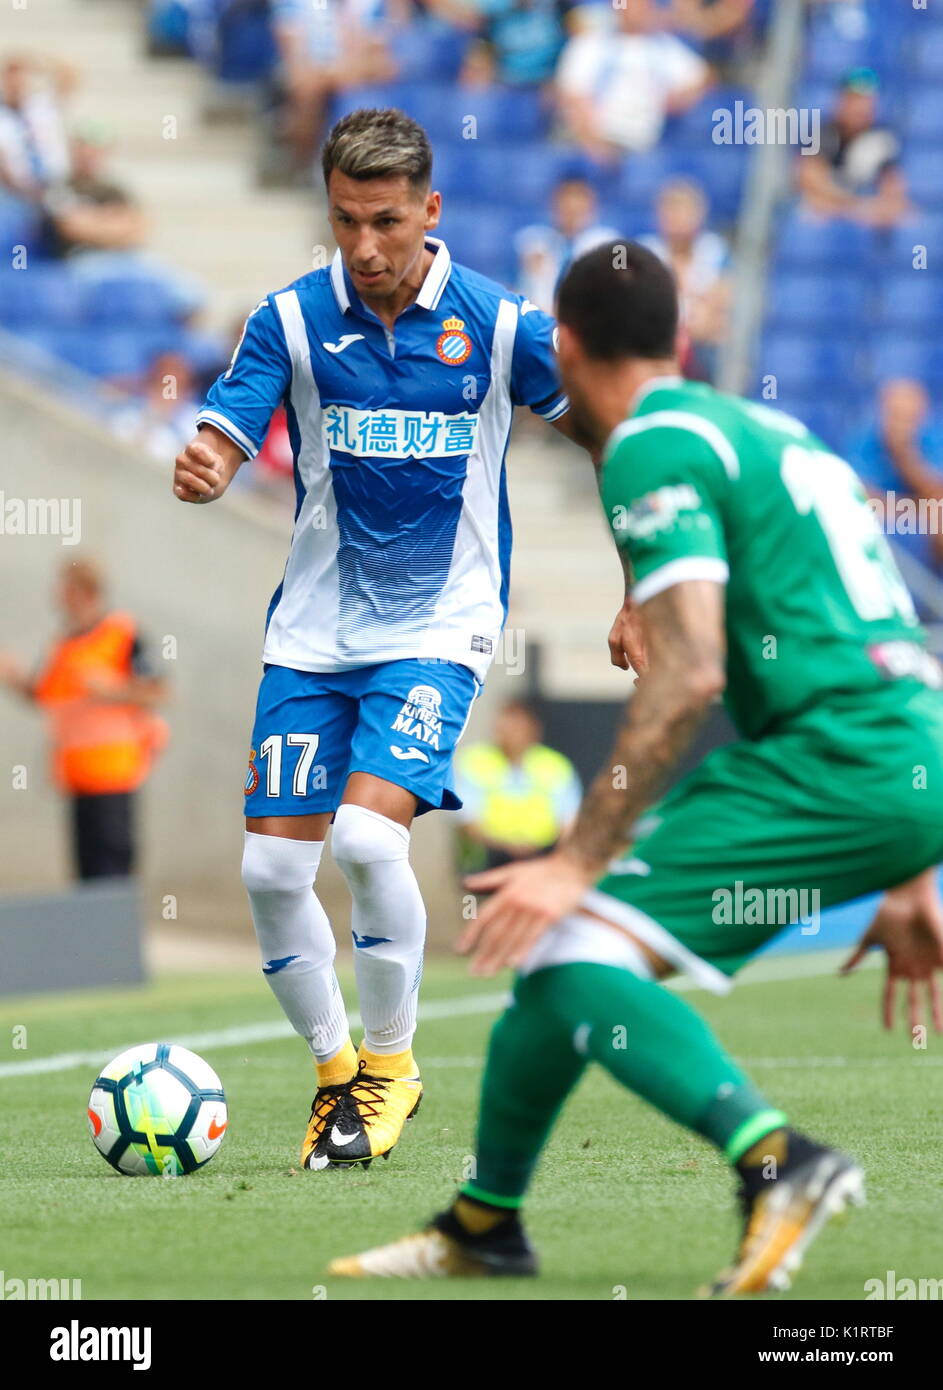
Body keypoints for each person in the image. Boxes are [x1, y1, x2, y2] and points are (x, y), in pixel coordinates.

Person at [329, 241, 943, 1293]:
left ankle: (777, 1161)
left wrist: (577, 855)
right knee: (550, 982)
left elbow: (693, 667)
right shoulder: (768, 428)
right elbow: (867, 624)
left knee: (572, 948)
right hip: (904, 747)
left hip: (837, 755)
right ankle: (485, 1223)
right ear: (683, 338)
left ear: (561, 346)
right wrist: (909, 861)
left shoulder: (648, 445)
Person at [174, 107, 584, 1174]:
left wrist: (635, 587)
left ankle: (392, 1064)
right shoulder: (293, 318)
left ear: (429, 211)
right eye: (347, 221)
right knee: (271, 869)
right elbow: (229, 421)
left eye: (387, 223)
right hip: (313, 630)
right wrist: (209, 461)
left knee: (363, 842)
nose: (365, 247)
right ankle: (333, 1076)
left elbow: (613, 434)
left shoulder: (497, 326)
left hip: (441, 626)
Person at [0, 559, 168, 880]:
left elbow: (160, 691)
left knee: (113, 871)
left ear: (87, 592)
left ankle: (117, 930)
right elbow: (42, 695)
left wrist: (114, 689)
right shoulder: (63, 645)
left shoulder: (121, 633)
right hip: (76, 777)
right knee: (86, 874)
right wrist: (13, 677)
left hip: (114, 775)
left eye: (67, 589)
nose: (59, 597)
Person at [555, 0, 711, 162]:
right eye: (631, 4)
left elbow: (702, 77)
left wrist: (675, 100)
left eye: (642, 5)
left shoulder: (664, 47)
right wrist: (592, 142)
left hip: (645, 148)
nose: (637, 9)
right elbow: (573, 97)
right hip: (596, 143)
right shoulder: (591, 44)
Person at [454, 699, 582, 872]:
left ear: (533, 730)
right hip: (489, 858)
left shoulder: (555, 765)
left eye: (517, 727)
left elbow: (569, 822)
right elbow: (466, 821)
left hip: (542, 857)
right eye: (506, 726)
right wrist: (508, 845)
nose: (510, 732)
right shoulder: (474, 761)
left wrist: (559, 861)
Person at [848, 378, 943, 575]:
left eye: (908, 416)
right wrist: (917, 506)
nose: (901, 424)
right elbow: (857, 494)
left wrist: (904, 456)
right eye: (895, 415)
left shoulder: (934, 438)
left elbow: (938, 494)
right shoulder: (864, 439)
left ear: (922, 413)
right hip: (878, 519)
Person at [639, 177, 729, 382]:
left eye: (683, 211)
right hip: (658, 346)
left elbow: (719, 314)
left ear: (698, 214)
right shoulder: (647, 252)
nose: (677, 218)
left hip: (702, 350)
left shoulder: (714, 251)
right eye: (670, 210)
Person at [796, 67, 910, 228]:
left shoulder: (883, 139)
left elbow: (893, 189)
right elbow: (810, 180)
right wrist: (855, 205)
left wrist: (871, 207)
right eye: (854, 99)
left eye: (866, 101)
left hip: (862, 213)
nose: (860, 107)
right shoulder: (819, 133)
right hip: (833, 213)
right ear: (840, 101)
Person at [514, 176, 621, 313]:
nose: (571, 211)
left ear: (592, 207)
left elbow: (622, 279)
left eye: (578, 206)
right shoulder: (533, 241)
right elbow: (514, 287)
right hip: (540, 320)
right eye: (565, 206)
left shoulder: (612, 242)